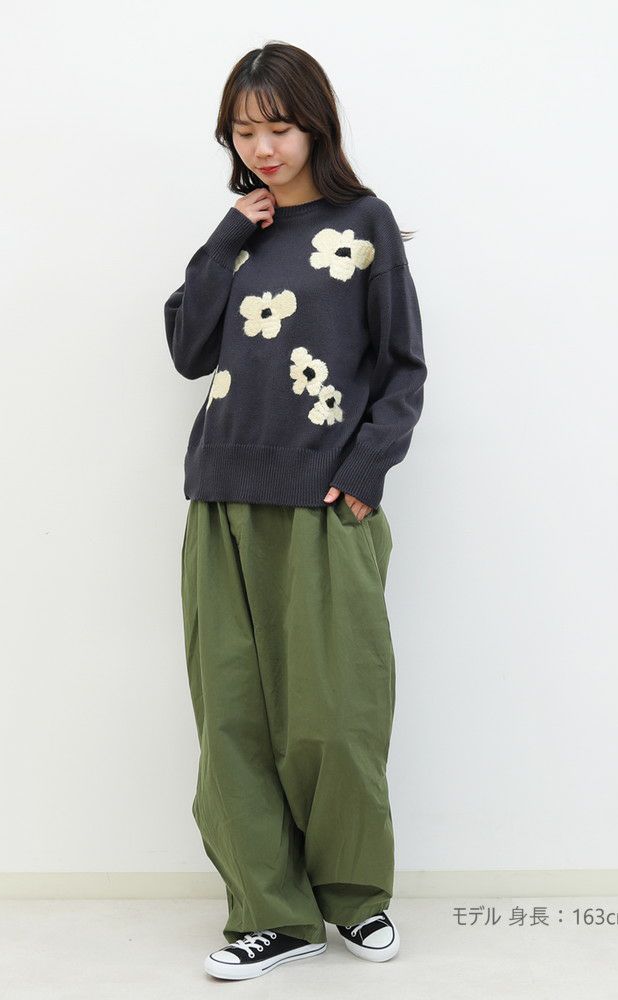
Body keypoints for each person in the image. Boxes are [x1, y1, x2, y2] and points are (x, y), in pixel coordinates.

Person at [164, 41, 428, 981]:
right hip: (221, 497)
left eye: (278, 127)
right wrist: (225, 237)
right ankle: (270, 914)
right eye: (244, 132)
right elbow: (188, 350)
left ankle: (354, 899)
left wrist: (365, 471)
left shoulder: (364, 224)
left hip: (324, 504)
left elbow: (403, 368)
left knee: (335, 715)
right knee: (233, 720)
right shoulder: (240, 233)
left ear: (316, 125)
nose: (263, 148)